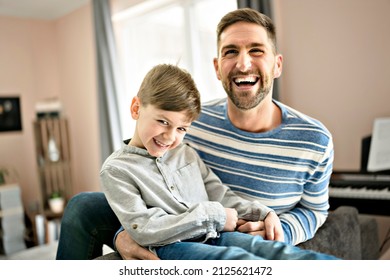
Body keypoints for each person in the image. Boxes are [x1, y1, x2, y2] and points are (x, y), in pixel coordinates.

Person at [56, 8, 333, 260]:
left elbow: (315, 210)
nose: (244, 64)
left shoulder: (314, 139)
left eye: (257, 50)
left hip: (232, 227)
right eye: (231, 51)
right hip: (192, 230)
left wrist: (276, 226)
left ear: (278, 64)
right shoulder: (193, 123)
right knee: (82, 205)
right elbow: (148, 213)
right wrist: (122, 236)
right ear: (216, 67)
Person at [99, 63, 336, 260]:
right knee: (240, 262)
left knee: (275, 252)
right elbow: (145, 228)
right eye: (162, 121)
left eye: (181, 128)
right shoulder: (117, 170)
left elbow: (219, 193)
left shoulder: (186, 152)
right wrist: (215, 216)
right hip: (172, 246)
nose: (170, 137)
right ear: (136, 108)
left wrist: (261, 213)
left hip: (215, 232)